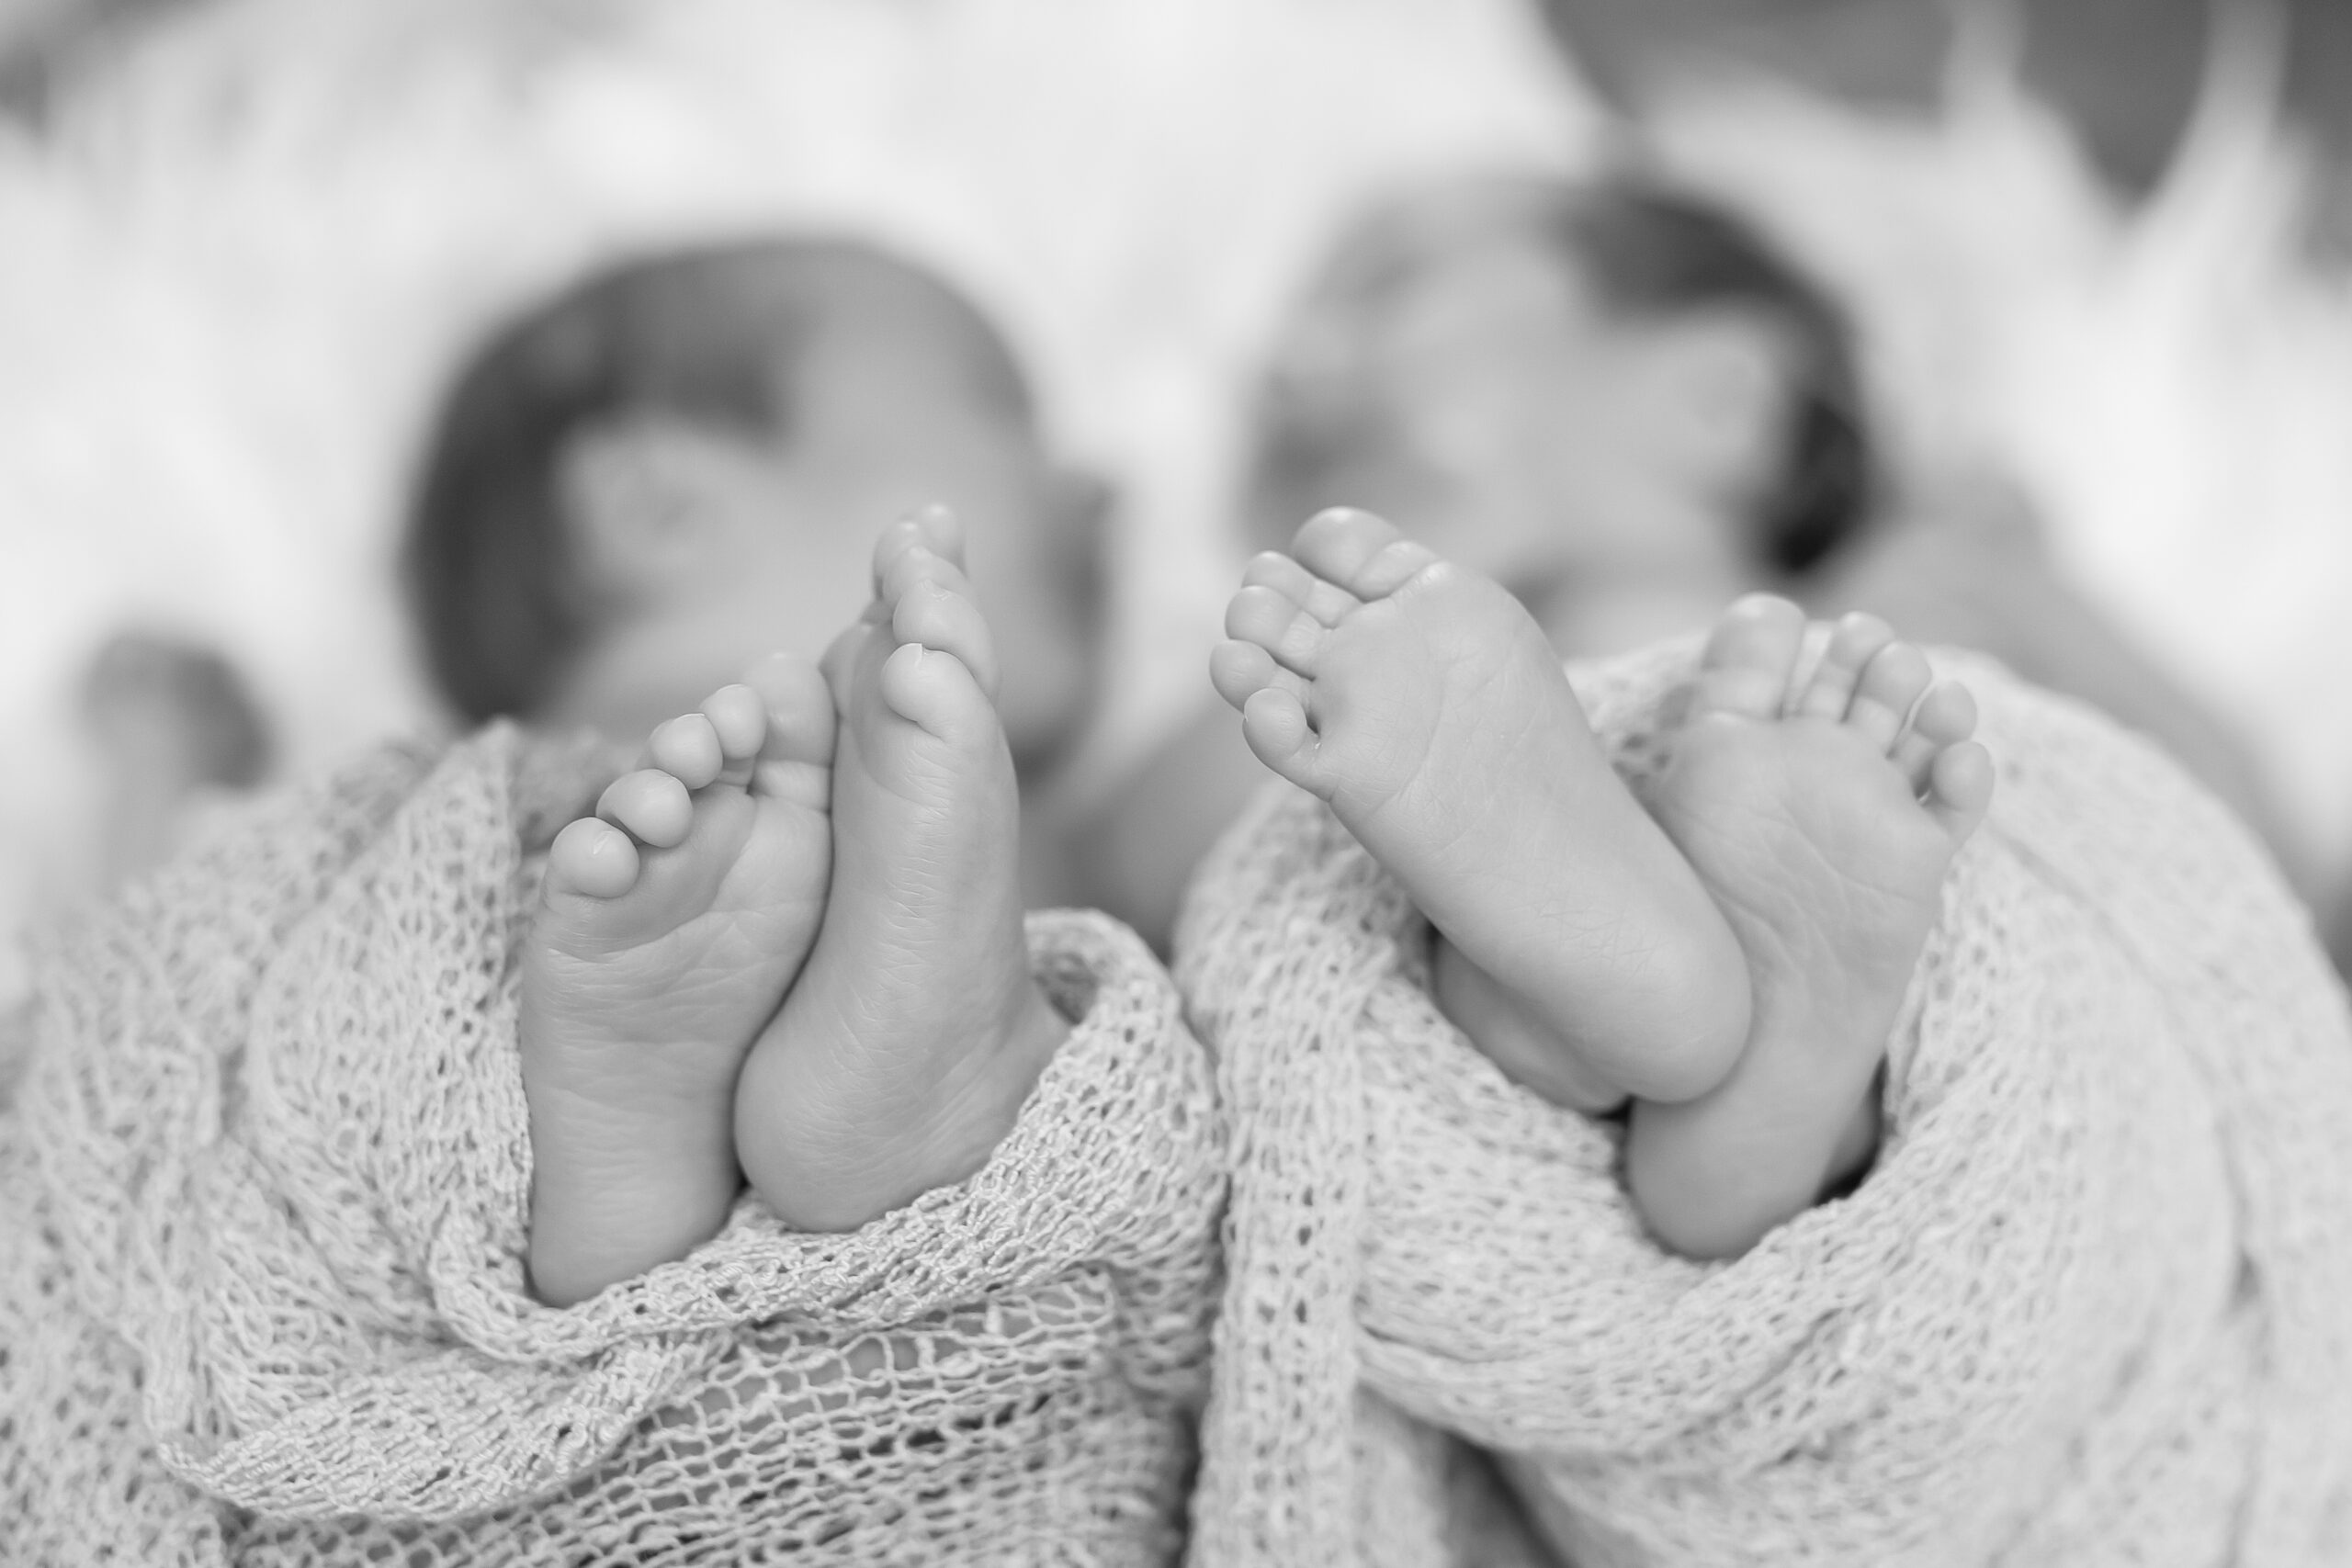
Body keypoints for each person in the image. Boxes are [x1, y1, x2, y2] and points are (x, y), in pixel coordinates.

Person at [1082, 171, 2290, 953]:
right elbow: (1125, 880)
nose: (1286, 366)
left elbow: (2256, 886)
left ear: (1717, 398)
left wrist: (2018, 596)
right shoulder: (1312, 685)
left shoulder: (1915, 617)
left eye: (1386, 289)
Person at [1212, 506, 1989, 1258]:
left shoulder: (1617, 571)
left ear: (1730, 401)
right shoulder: (1920, 586)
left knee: (1396, 890)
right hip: (1788, 775)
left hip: (1672, 773)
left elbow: (1127, 841)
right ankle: (1788, 1133)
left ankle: (1547, 1009)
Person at [403, 232, 1109, 908]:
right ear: (657, 505)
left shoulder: (1036, 844)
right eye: (998, 410)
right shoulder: (497, 833)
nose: (1098, 488)